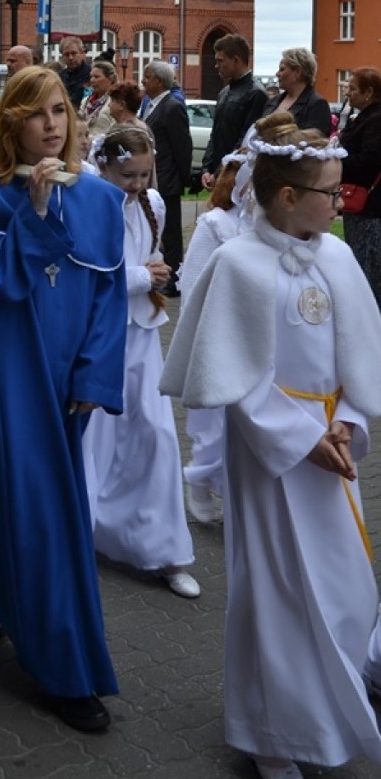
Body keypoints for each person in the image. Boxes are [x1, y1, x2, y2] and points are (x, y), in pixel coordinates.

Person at [161, 112, 381, 779]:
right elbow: (234, 376)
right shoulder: (237, 264)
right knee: (279, 590)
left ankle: (335, 703)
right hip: (273, 456)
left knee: (345, 585)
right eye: (329, 191)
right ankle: (272, 732)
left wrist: (345, 418)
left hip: (330, 447)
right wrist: (298, 436)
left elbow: (360, 352)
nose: (340, 201)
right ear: (286, 195)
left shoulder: (337, 256)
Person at [0, 66, 127, 733]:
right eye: (36, 113)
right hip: (11, 370)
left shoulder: (101, 200)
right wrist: (25, 212)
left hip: (69, 381)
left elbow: (109, 300)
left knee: (47, 510)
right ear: (11, 124)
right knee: (33, 512)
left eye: (61, 110)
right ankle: (62, 668)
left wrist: (92, 377)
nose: (54, 124)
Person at [83, 127, 199, 598]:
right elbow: (81, 276)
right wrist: (137, 277)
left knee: (154, 432)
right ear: (104, 166)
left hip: (143, 335)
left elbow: (151, 254)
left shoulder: (153, 202)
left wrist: (156, 272)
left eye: (143, 174)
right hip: (96, 336)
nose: (135, 184)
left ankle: (165, 549)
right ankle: (82, 533)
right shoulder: (87, 202)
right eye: (126, 175)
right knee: (93, 440)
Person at [179, 149, 252, 525]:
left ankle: (237, 490)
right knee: (213, 421)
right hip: (218, 333)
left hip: (252, 340)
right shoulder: (216, 225)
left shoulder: (265, 226)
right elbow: (192, 283)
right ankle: (201, 477)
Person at [140, 61, 192, 296]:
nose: (143, 81)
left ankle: (174, 281)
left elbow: (182, 146)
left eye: (147, 77)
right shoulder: (151, 105)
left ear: (159, 81)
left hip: (167, 179)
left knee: (171, 234)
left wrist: (183, 177)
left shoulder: (172, 106)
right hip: (155, 178)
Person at [201, 34, 267, 188]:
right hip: (220, 172)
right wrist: (206, 168)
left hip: (238, 175)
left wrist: (220, 172)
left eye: (220, 61)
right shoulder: (223, 93)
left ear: (236, 60)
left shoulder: (256, 93)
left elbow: (245, 141)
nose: (216, 66)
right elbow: (215, 134)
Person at [339, 66, 381, 307]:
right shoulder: (364, 117)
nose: (347, 93)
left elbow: (368, 165)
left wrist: (336, 156)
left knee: (368, 270)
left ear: (369, 92)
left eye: (353, 89)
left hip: (370, 210)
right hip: (360, 209)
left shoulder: (376, 120)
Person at [261, 47, 331, 135]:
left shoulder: (317, 104)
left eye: (282, 69)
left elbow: (316, 141)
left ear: (297, 72)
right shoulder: (272, 102)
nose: (277, 74)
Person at [81, 60, 117, 134]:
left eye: (96, 77)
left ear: (110, 79)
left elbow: (115, 129)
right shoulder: (86, 101)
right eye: (91, 77)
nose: (92, 80)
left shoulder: (115, 101)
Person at [59, 37, 92, 109]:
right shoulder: (59, 77)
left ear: (81, 53)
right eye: (66, 54)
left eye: (74, 53)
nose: (70, 58)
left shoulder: (92, 75)